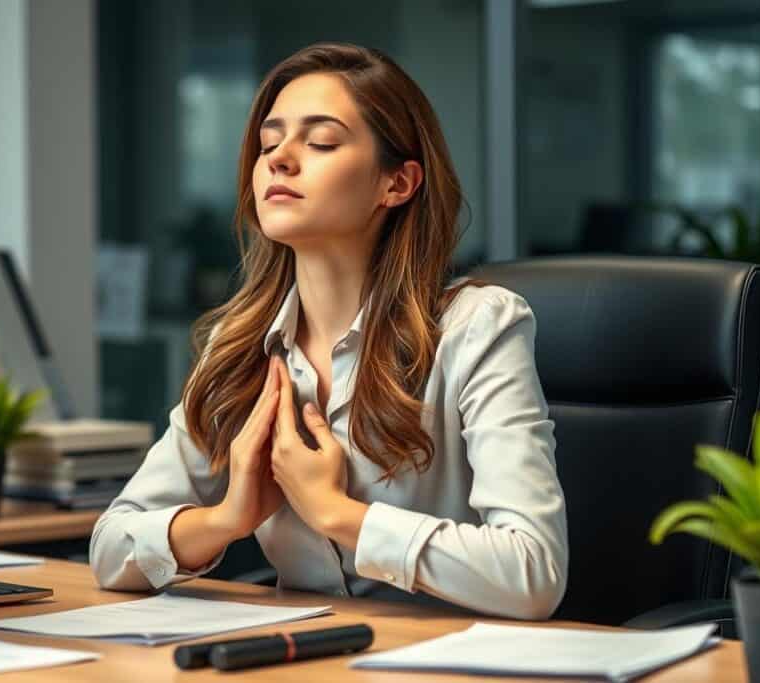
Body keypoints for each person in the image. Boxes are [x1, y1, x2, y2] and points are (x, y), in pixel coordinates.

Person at [90, 43, 568, 620]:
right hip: (304, 659)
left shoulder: (476, 328)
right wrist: (226, 520)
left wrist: (335, 513)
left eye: (319, 142)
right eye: (269, 144)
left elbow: (533, 572)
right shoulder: (240, 349)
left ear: (397, 184)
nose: (280, 160)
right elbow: (110, 545)